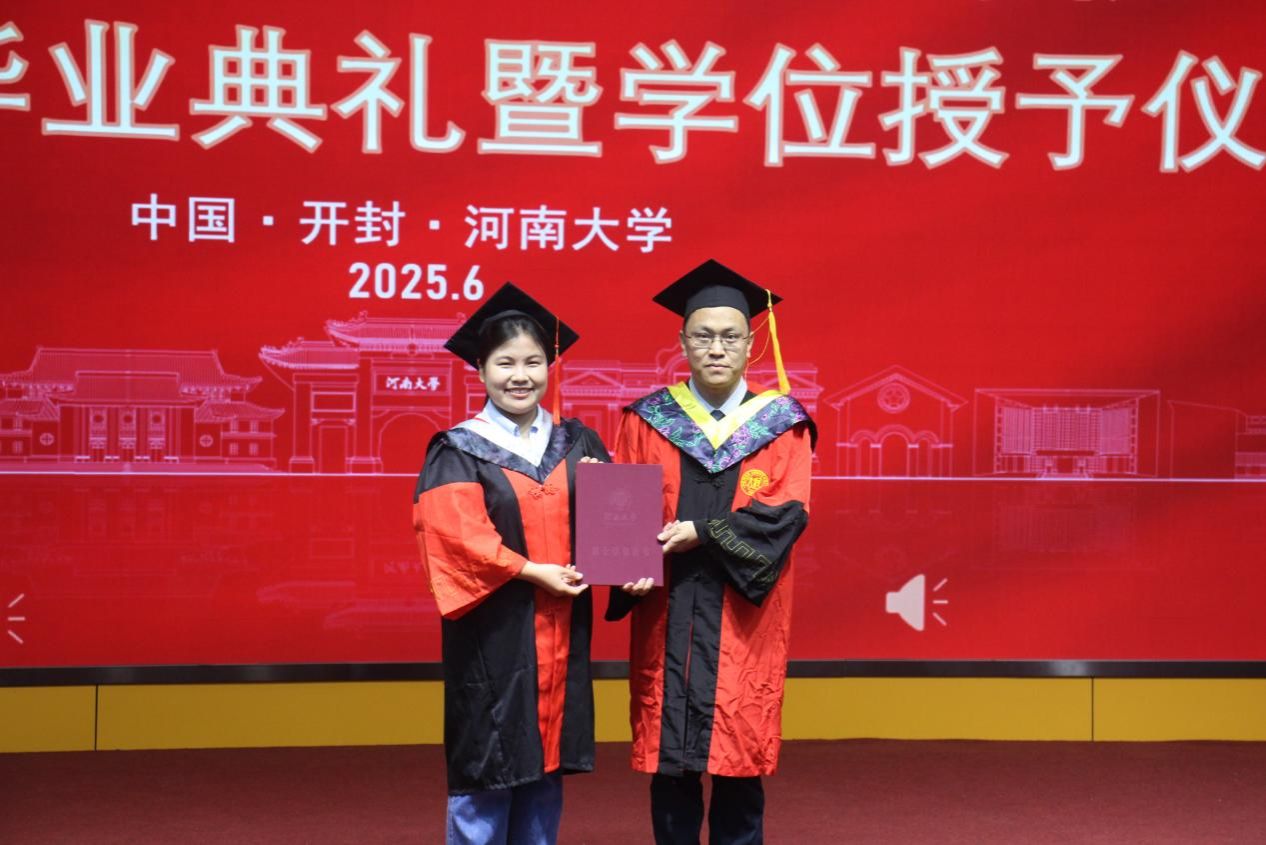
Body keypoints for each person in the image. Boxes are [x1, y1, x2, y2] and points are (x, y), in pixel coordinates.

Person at [607, 259, 816, 845]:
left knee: (738, 768)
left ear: (751, 344)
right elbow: (624, 511)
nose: (716, 348)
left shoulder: (783, 425)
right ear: (682, 342)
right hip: (668, 614)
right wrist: (624, 568)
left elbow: (785, 515)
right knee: (670, 770)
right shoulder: (648, 419)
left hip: (743, 623)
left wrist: (704, 531)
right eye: (703, 336)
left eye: (730, 336)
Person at [413, 282, 609, 845]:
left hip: (561, 633)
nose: (520, 376)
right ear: (480, 369)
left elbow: (612, 531)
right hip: (494, 635)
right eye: (505, 363)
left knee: (545, 766)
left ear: (550, 365)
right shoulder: (458, 449)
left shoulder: (578, 441)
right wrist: (530, 571)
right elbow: (455, 536)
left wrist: (632, 556)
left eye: (533, 362)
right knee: (489, 765)